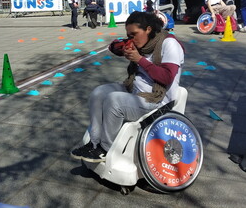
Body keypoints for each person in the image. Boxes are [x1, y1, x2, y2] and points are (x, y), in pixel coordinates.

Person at [70, 11, 184, 162]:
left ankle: (106, 149)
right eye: (129, 35)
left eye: (134, 34)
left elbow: (167, 77)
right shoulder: (142, 42)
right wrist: (121, 47)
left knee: (114, 100)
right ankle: (94, 142)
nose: (131, 38)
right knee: (98, 93)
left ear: (148, 29)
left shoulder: (169, 43)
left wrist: (140, 60)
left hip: (158, 99)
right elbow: (113, 46)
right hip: (135, 90)